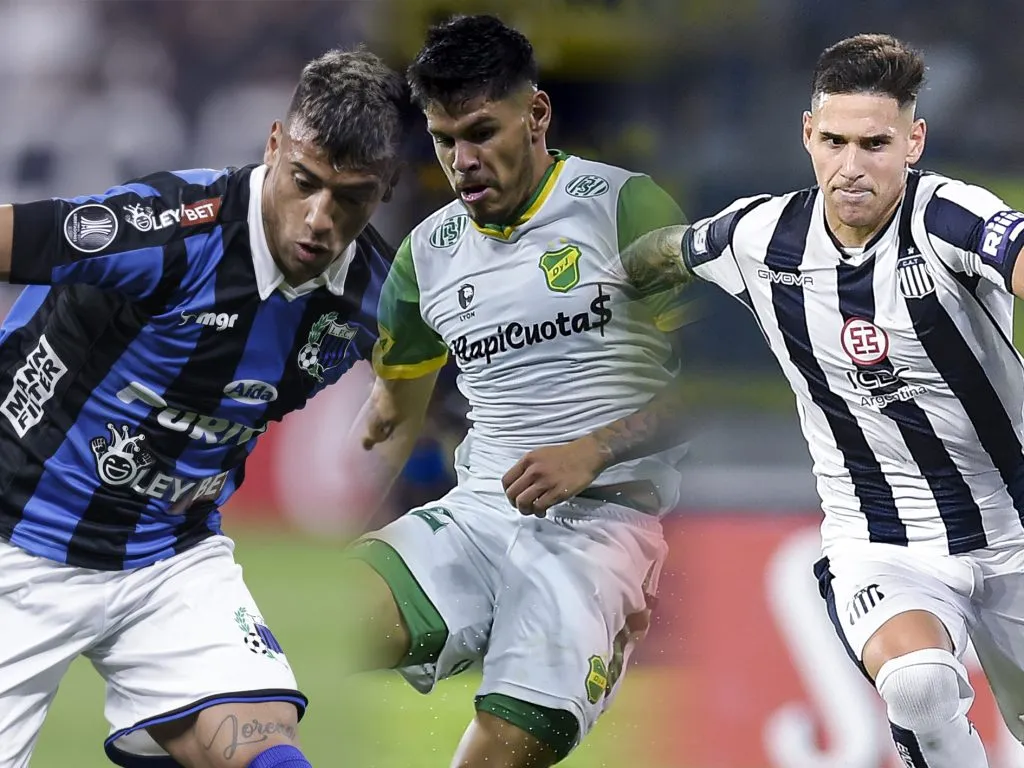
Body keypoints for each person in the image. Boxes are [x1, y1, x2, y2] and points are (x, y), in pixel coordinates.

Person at [623, 32, 1024, 768]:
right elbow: (667, 252)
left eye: (875, 143)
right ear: (808, 134)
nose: (851, 167)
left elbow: (1015, 251)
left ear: (913, 141)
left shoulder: (947, 216)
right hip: (881, 538)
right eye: (834, 140)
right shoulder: (759, 235)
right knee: (919, 689)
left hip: (1016, 527)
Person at [0, 48, 404, 768]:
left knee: (271, 757)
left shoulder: (380, 293)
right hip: (15, 544)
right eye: (304, 183)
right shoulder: (174, 230)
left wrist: (394, 400)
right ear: (275, 145)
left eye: (350, 198)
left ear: (384, 191)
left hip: (168, 561)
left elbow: (450, 350)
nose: (318, 219)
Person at [342, 14, 691, 768]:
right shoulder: (426, 256)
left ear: (536, 115)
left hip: (603, 536)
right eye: (442, 139)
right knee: (324, 622)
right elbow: (396, 414)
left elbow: (710, 388)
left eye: (480, 131)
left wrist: (592, 450)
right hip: (476, 516)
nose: (462, 161)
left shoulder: (625, 209)